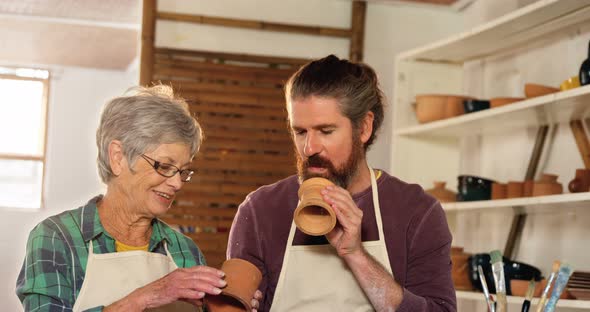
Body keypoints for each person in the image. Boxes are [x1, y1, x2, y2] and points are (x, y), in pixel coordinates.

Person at [227, 55, 456, 311]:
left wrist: (356, 255)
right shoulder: (260, 210)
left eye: (326, 131)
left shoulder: (416, 212)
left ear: (364, 128)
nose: (309, 148)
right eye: (300, 131)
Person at [16, 85, 261, 311]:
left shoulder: (183, 251)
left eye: (183, 171)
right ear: (118, 157)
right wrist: (147, 296)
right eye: (164, 166)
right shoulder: (57, 238)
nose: (176, 183)